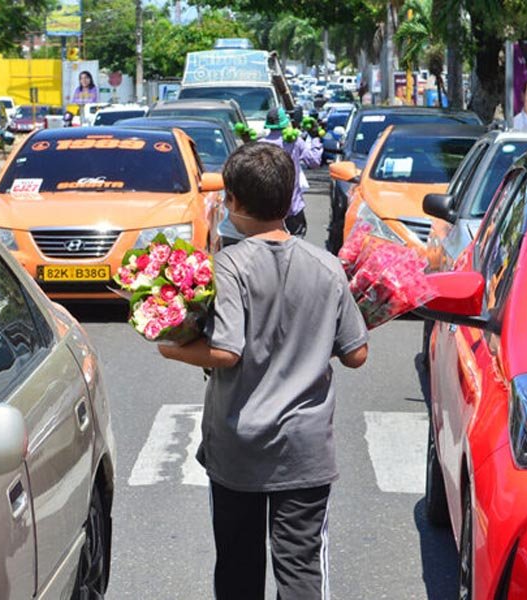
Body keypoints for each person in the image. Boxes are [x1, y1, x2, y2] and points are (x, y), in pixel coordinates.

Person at [158, 142, 369, 599]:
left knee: (237, 565)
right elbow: (356, 354)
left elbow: (226, 351)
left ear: (231, 201)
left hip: (238, 446)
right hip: (305, 451)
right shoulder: (328, 267)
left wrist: (170, 348)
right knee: (300, 570)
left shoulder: (229, 267)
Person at [260, 106, 322, 238]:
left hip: (268, 212)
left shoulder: (260, 145)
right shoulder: (294, 142)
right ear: (286, 123)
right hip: (292, 208)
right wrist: (315, 137)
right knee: (296, 247)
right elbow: (314, 161)